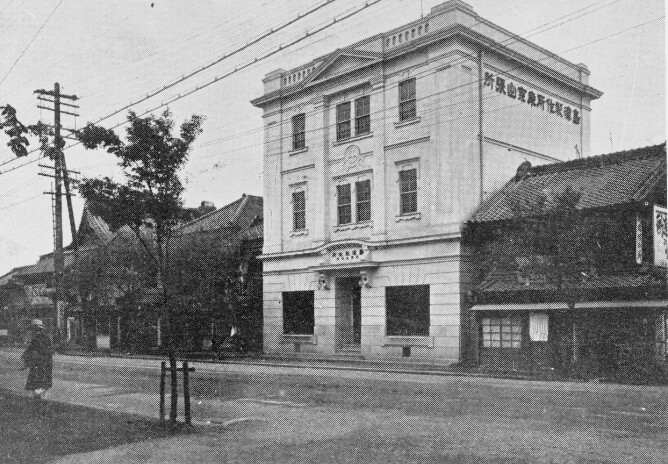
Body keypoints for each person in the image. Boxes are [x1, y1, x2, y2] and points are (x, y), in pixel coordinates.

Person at [21, 319, 53, 399]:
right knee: (43, 385)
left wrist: (26, 360)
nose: (32, 331)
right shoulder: (46, 337)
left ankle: (38, 402)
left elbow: (30, 351)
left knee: (37, 386)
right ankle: (42, 398)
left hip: (39, 365)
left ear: (35, 329)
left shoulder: (37, 338)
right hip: (46, 364)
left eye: (32, 329)